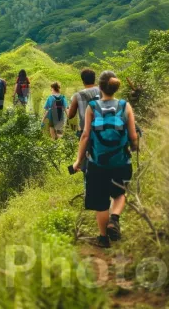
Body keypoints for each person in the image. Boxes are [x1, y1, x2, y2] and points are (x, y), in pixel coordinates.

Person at [72, 71, 138, 248]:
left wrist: (78, 161)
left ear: (99, 87)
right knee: (119, 193)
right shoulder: (125, 106)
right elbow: (133, 135)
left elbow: (85, 135)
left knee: (101, 201)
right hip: (121, 162)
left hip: (97, 163)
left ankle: (103, 238)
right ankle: (114, 218)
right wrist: (134, 147)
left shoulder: (92, 107)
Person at [68, 69, 100, 138]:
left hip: (85, 130)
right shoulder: (104, 91)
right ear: (94, 79)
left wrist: (67, 108)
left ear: (83, 81)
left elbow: (70, 115)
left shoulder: (77, 95)